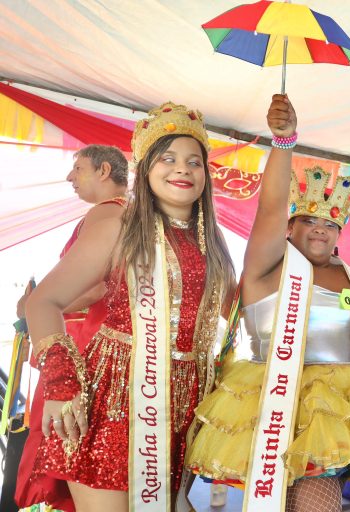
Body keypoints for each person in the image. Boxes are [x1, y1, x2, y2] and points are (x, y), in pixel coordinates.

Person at [186, 95, 350, 512]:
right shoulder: (267, 267)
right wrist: (284, 142)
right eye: (309, 220)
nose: (321, 230)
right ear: (289, 227)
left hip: (330, 411)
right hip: (265, 399)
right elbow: (270, 206)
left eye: (331, 224)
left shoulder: (349, 277)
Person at [23, 102, 236, 511]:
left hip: (184, 406)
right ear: (146, 168)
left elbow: (238, 312)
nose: (183, 169)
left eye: (194, 162)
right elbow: (43, 301)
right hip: (114, 398)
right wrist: (61, 383)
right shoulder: (118, 223)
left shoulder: (212, 241)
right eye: (168, 158)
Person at [16, 144, 129, 511]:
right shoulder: (131, 214)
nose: (70, 178)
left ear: (105, 171)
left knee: (69, 452)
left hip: (80, 346)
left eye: (78, 169)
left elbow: (98, 286)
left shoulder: (105, 213)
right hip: (106, 351)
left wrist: (41, 306)